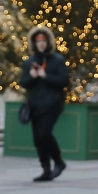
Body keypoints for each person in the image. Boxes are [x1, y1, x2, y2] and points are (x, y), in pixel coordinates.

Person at [20, 26, 69, 182]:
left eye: (43, 40)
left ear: (48, 42)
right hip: (35, 105)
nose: (41, 44)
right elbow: (24, 83)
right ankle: (46, 169)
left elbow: (64, 80)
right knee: (38, 138)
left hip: (52, 104)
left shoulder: (57, 60)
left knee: (44, 134)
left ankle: (59, 162)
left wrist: (45, 75)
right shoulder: (30, 62)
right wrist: (32, 76)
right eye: (38, 41)